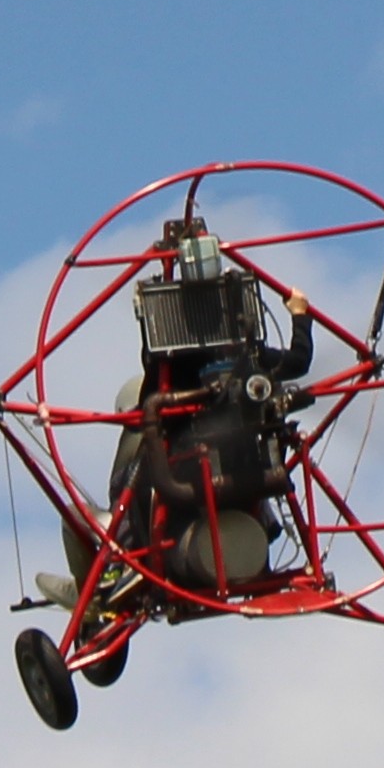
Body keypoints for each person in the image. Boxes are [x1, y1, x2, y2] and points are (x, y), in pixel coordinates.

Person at [99, 215, 320, 600]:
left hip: (195, 469)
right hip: (235, 469)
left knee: (134, 473)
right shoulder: (247, 355)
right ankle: (262, 537)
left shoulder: (173, 361)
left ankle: (119, 561)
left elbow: (150, 399)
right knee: (254, 457)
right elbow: (297, 361)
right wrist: (300, 315)